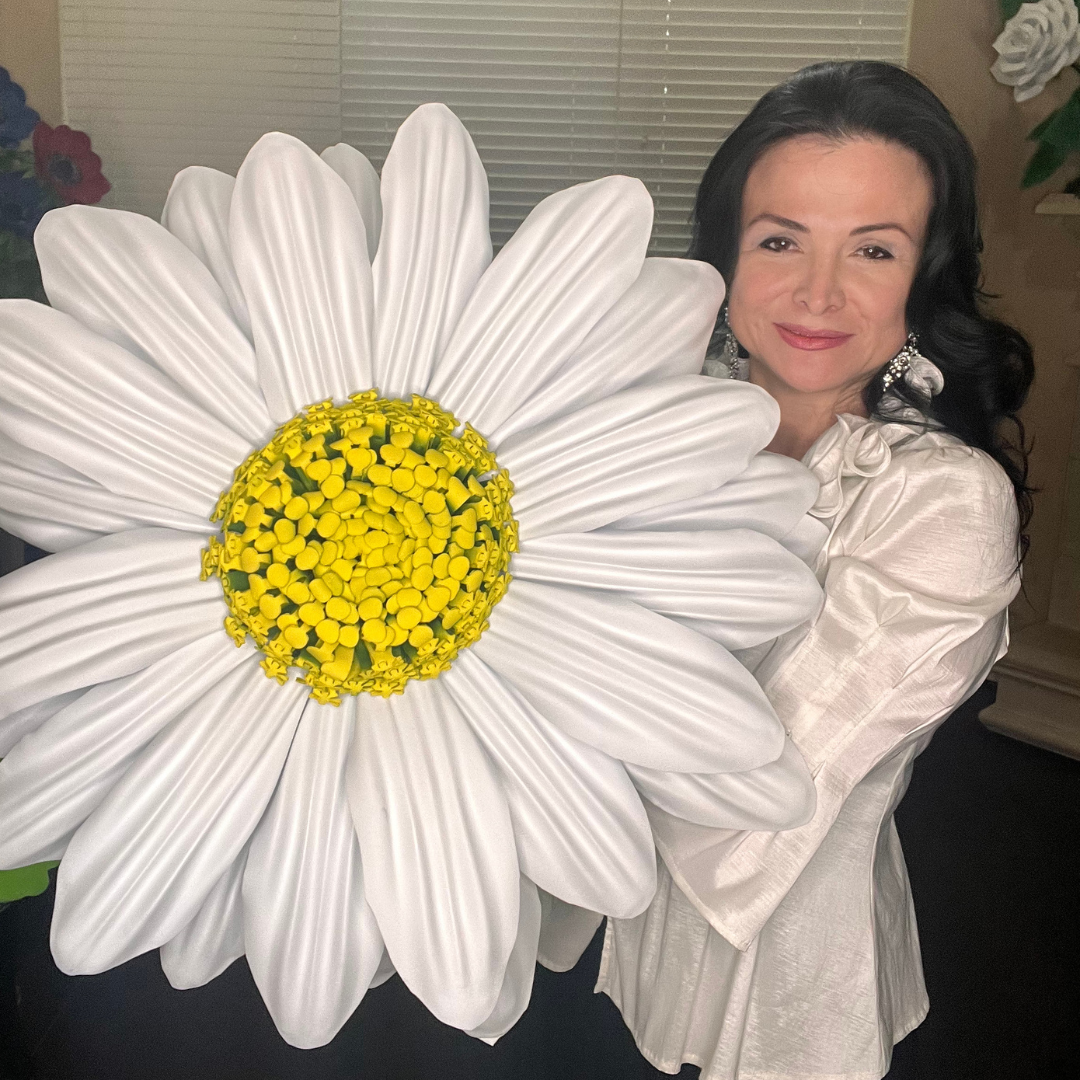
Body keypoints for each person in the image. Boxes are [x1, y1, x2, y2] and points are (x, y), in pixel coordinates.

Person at [554, 60, 1034, 1079]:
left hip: (786, 966)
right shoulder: (653, 420)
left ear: (926, 272)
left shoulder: (949, 502)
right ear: (726, 254)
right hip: (606, 923)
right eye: (781, 240)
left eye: (873, 248)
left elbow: (760, 788)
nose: (819, 293)